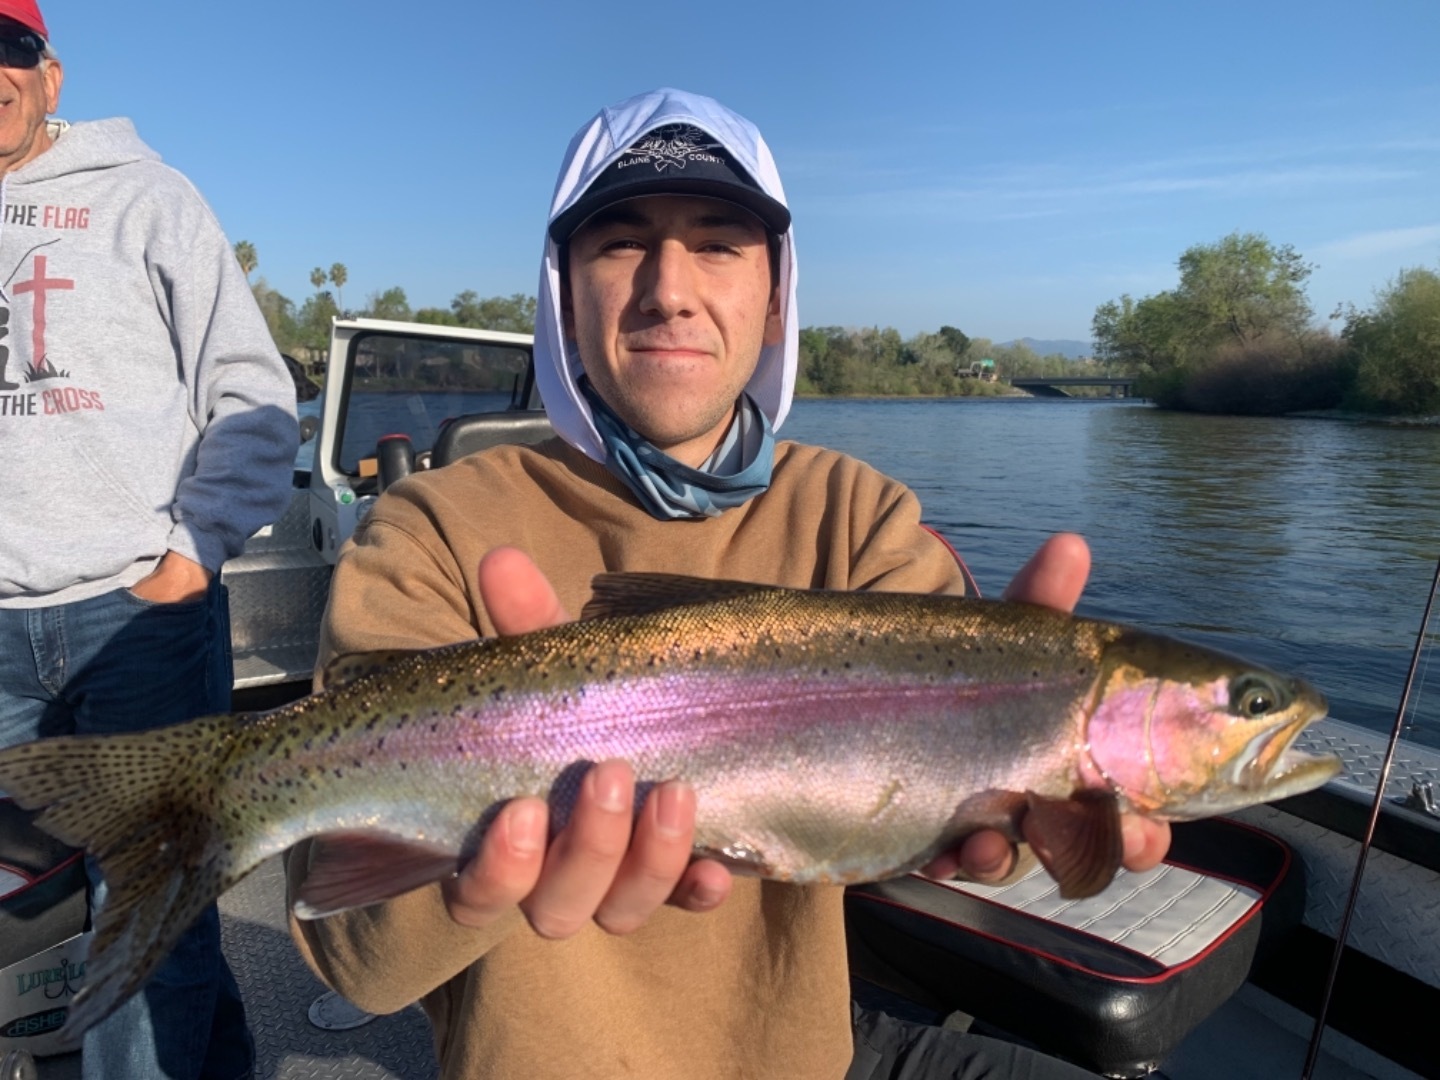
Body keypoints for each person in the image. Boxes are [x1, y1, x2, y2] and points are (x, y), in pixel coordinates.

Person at [286, 87, 1169, 1079]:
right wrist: (477, 883)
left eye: (719, 243)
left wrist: (1021, 758)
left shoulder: (860, 519)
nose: (669, 286)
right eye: (621, 243)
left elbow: (964, 814)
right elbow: (357, 960)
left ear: (777, 292)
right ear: (561, 288)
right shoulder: (434, 528)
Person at [0, 2, 299, 1078]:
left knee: (151, 909)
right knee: (44, 918)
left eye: (10, 47)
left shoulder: (148, 197)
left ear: (51, 74)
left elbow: (254, 395)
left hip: (138, 615)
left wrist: (190, 556)